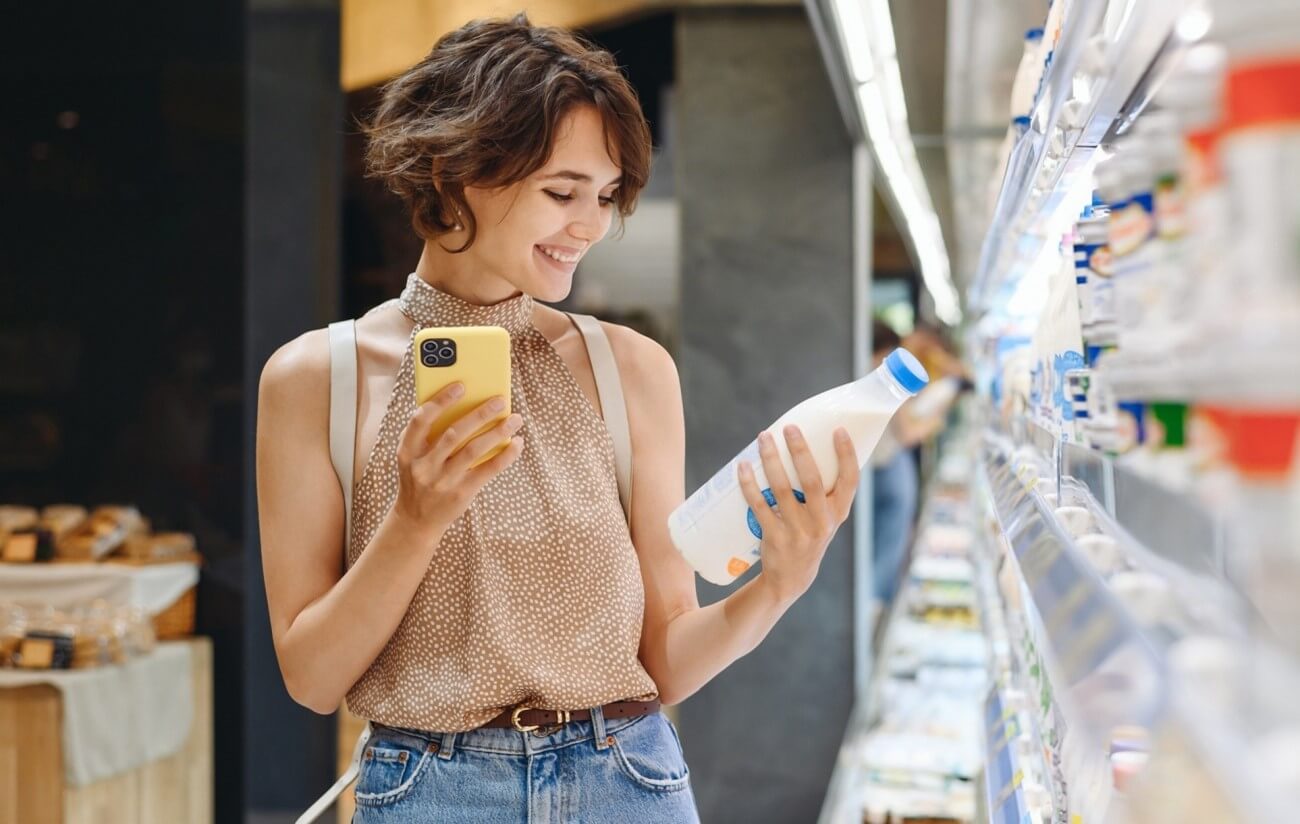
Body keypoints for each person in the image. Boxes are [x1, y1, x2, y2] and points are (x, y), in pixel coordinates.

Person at [255, 15, 862, 823]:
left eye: (607, 196)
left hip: (628, 781)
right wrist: (413, 519)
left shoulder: (631, 370)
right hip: (430, 792)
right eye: (561, 191)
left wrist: (778, 587)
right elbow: (313, 678)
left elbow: (666, 659)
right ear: (454, 169)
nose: (592, 226)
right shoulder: (315, 379)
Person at [869, 319, 962, 616]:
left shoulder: (881, 371)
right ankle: (874, 606)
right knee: (887, 546)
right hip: (886, 464)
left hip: (880, 465)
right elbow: (908, 433)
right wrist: (935, 421)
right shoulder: (890, 372)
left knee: (884, 543)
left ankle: (874, 605)